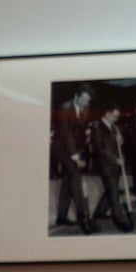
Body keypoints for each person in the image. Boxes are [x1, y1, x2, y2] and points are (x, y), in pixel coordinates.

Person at [52, 86, 94, 234]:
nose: (85, 104)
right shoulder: (65, 108)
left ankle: (61, 217)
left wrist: (87, 133)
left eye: (87, 101)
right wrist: (75, 156)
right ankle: (84, 219)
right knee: (76, 177)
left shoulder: (86, 108)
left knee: (67, 181)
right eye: (83, 100)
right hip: (62, 149)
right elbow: (66, 134)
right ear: (76, 96)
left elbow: (80, 130)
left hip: (74, 148)